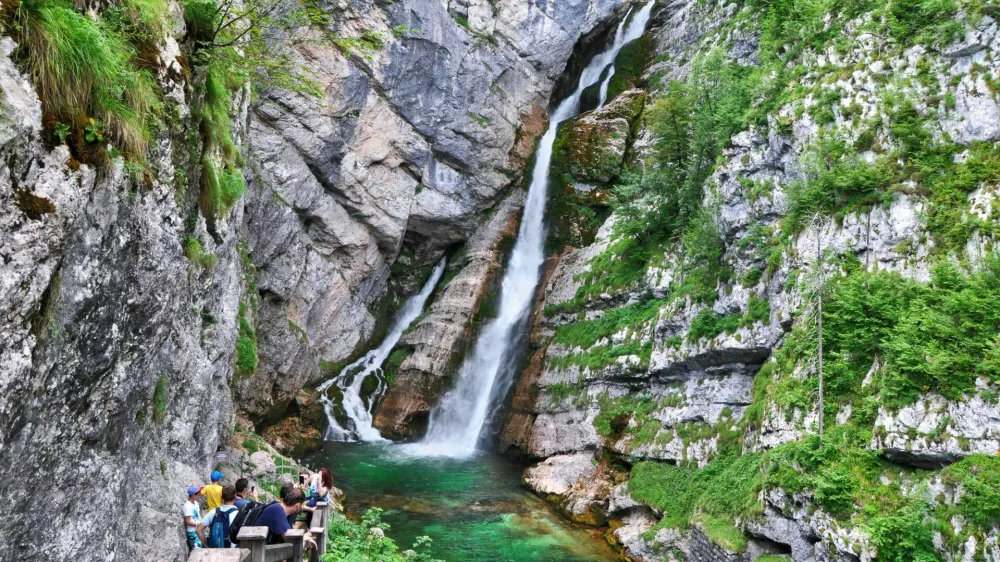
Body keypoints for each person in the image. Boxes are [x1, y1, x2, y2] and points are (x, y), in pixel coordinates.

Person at [182, 485, 204, 551]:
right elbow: (188, 521)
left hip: (199, 529)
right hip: (192, 531)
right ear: (194, 495)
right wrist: (199, 524)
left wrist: (203, 523)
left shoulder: (196, 503)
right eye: (199, 494)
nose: (200, 495)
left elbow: (198, 515)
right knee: (197, 550)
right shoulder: (188, 506)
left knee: (202, 547)